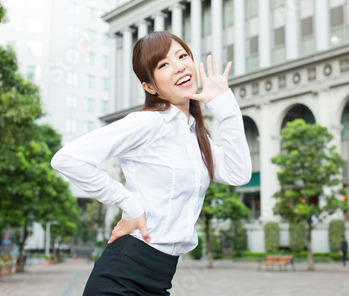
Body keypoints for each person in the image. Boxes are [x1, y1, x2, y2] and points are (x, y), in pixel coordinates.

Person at [51, 31, 252, 295]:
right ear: (150, 87)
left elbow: (238, 174)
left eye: (182, 56)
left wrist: (224, 106)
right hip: (122, 276)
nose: (179, 66)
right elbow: (66, 159)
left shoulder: (194, 134)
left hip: (159, 278)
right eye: (164, 64)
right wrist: (130, 203)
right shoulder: (147, 123)